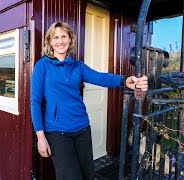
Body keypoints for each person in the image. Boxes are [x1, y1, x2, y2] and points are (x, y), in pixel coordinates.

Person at [30, 21, 148, 180]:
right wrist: (41, 137)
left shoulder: (77, 66)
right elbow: (35, 101)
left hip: (82, 129)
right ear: (50, 42)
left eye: (64, 36)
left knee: (88, 175)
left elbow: (100, 77)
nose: (60, 41)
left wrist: (124, 80)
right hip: (57, 133)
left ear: (70, 39)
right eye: (56, 37)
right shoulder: (42, 66)